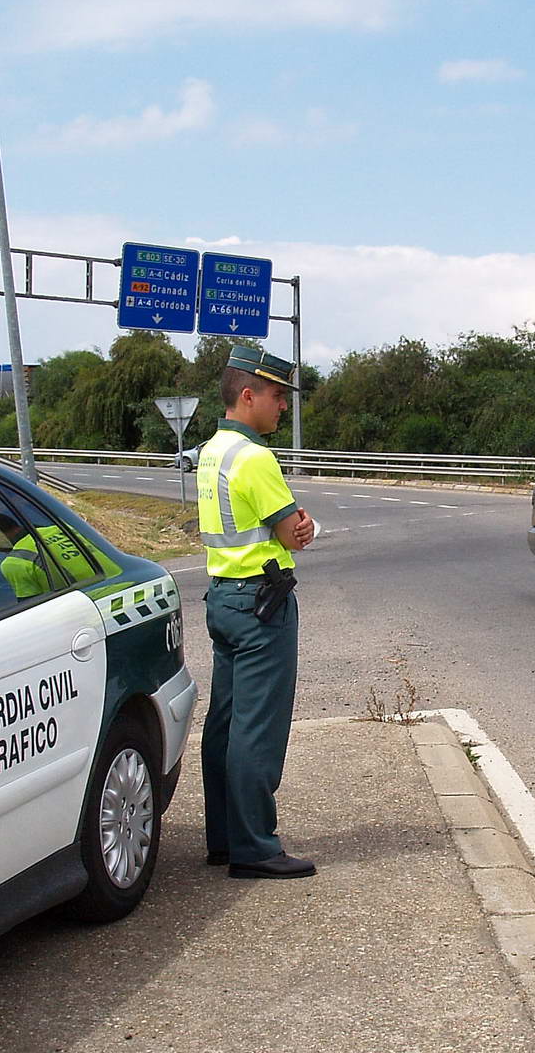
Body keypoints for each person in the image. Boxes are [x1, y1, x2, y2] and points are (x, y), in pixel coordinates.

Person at [198, 344, 317, 879]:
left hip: (223, 595)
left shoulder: (211, 452)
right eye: (275, 396)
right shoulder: (255, 457)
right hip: (262, 600)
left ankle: (224, 837)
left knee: (224, 722)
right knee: (257, 729)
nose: (282, 407)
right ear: (247, 395)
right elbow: (293, 530)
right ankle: (254, 848)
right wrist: (300, 526)